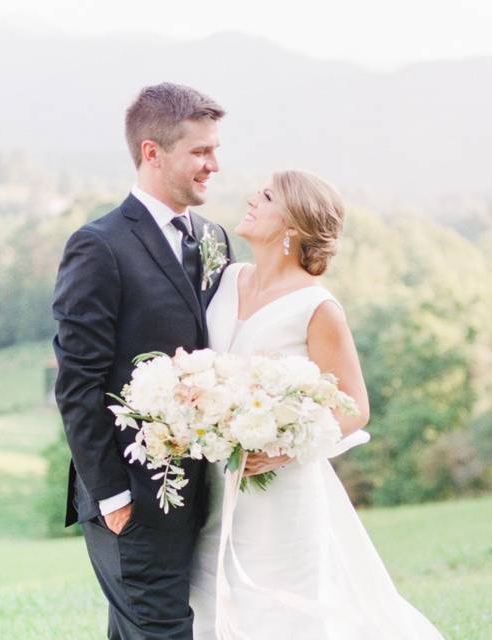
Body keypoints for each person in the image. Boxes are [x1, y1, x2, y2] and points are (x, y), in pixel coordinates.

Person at [189, 170, 443, 639]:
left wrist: (286, 448)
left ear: (293, 227)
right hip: (215, 487)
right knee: (213, 607)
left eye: (266, 197)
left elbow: (355, 407)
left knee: (283, 614)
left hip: (280, 494)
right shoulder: (226, 280)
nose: (252, 199)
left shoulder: (317, 307)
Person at [52, 82, 234, 639]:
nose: (214, 165)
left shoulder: (215, 240)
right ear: (152, 152)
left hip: (202, 492)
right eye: (200, 152)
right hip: (129, 496)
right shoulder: (99, 245)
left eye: (215, 150)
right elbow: (77, 384)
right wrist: (111, 496)